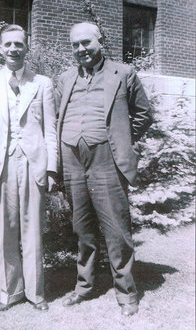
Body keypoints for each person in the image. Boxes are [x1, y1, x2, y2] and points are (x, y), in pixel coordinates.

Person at [55, 22, 153, 316]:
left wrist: (119, 139)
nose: (81, 49)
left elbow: (144, 114)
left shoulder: (123, 73)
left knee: (116, 228)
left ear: (102, 42)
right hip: (73, 159)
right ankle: (84, 286)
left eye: (86, 42)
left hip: (106, 160)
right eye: (75, 45)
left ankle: (126, 293)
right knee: (82, 227)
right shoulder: (64, 78)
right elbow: (58, 115)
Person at [0, 24, 57, 312]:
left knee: (32, 229)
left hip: (33, 164)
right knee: (6, 231)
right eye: (8, 44)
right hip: (0, 165)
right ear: (0, 48)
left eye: (19, 44)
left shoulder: (42, 83)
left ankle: (36, 294)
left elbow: (50, 131)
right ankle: (10, 293)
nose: (13, 49)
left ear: (26, 48)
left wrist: (51, 168)